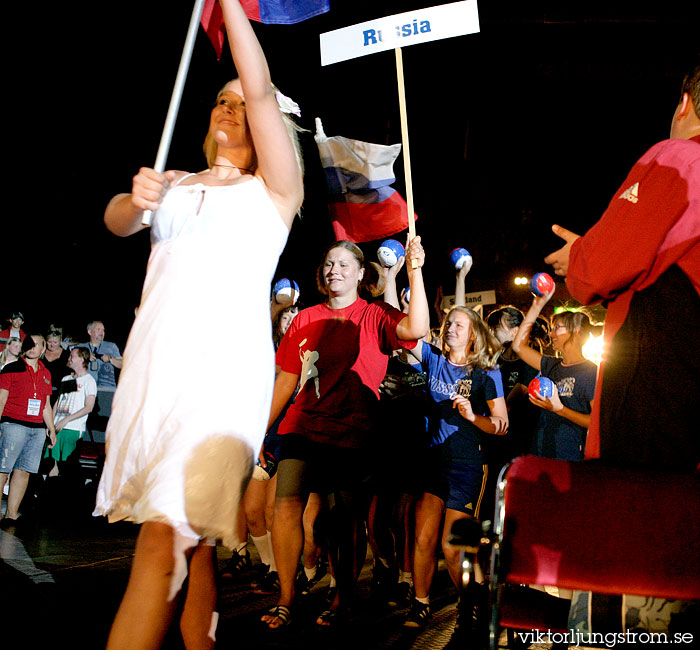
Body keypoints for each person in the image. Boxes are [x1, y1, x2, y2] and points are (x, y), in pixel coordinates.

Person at [92, 1, 304, 647]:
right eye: (221, 99)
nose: (230, 108)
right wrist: (136, 199)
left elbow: (261, 89)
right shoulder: (176, 182)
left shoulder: (275, 193)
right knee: (194, 544)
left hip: (220, 383)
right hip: (155, 377)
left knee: (165, 538)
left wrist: (233, 6)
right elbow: (116, 220)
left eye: (241, 105)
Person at [261, 237, 429, 629]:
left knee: (344, 519)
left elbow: (417, 327)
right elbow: (286, 379)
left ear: (359, 273)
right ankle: (286, 599)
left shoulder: (374, 314)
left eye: (342, 264)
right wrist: (260, 429)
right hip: (302, 425)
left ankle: (343, 598)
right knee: (284, 507)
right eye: (328, 263)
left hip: (353, 431)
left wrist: (415, 271)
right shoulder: (304, 319)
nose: (333, 269)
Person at [544, 60, 700, 470]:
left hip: (664, 387)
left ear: (684, 104)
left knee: (640, 518)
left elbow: (601, 271)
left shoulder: (681, 157)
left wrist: (579, 255)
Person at [400, 307, 507, 630]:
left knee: (452, 546)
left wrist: (473, 417)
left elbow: (501, 425)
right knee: (423, 538)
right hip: (432, 461)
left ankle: (471, 603)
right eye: (448, 324)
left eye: (458, 325)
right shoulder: (432, 359)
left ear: (473, 334)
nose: (450, 329)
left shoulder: (487, 373)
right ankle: (421, 604)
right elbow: (404, 334)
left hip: (467, 465)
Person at [512, 292, 597, 462]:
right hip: (541, 451)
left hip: (570, 458)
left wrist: (560, 410)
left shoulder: (591, 372)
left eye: (558, 327)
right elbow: (519, 346)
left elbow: (596, 423)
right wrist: (537, 305)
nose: (551, 334)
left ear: (577, 331)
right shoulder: (552, 365)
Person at [0, 334, 56, 524]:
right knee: (3, 469)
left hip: (37, 429)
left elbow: (45, 405)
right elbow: (1, 399)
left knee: (24, 471)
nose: (32, 347)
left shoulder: (46, 373)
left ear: (43, 349)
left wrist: (51, 429)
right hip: (13, 424)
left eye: (37, 344)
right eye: (29, 344)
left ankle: (11, 513)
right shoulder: (11, 368)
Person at [44, 347, 97, 477]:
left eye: (72, 357)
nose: (69, 359)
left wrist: (66, 420)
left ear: (81, 359)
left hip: (72, 428)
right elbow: (59, 402)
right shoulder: (66, 378)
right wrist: (50, 424)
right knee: (52, 462)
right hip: (57, 427)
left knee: (68, 464)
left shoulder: (89, 381)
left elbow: (89, 407)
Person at [76, 321, 122, 441]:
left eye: (103, 330)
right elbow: (70, 366)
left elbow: (123, 364)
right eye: (98, 329)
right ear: (89, 332)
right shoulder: (81, 348)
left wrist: (110, 359)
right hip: (85, 392)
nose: (102, 333)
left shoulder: (111, 346)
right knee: (85, 422)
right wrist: (84, 359)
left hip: (106, 392)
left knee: (106, 423)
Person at [42, 329, 70, 405]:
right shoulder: (40, 353)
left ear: (60, 341)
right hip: (41, 390)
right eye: (49, 342)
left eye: (55, 342)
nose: (52, 345)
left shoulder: (67, 355)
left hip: (59, 393)